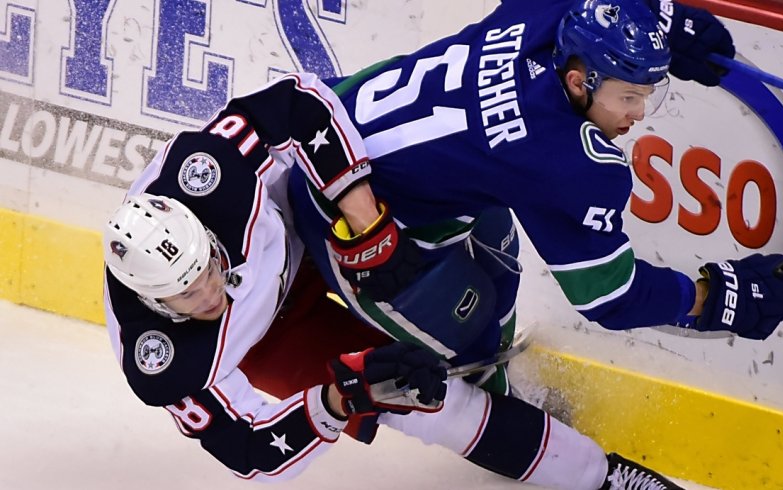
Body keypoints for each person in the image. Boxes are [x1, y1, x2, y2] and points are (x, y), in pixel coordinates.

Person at [102, 71, 688, 488]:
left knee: (458, 248)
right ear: (151, 300)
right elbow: (251, 453)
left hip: (311, 222)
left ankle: (495, 370)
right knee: (424, 403)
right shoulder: (163, 362)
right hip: (270, 335)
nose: (209, 291)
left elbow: (299, 103)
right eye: (186, 293)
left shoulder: (209, 176)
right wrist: (339, 400)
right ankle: (597, 476)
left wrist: (364, 217)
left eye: (206, 267)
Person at [287, 0, 783, 379]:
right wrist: (715, 298)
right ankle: (505, 418)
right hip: (347, 213)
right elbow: (610, 297)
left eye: (647, 95)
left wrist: (659, 19)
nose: (639, 115)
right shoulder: (568, 163)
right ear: (579, 83)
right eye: (628, 96)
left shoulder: (546, 12)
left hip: (330, 121)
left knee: (500, 258)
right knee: (470, 352)